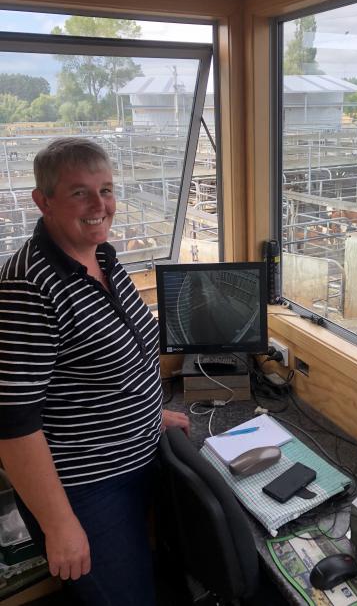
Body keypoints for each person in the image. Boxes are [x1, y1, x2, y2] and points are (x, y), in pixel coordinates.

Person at [0, 138, 189, 605]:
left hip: (136, 455)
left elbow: (105, 362)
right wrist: (60, 525)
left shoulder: (101, 255)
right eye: (79, 192)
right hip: (86, 489)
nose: (99, 205)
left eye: (106, 189)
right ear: (42, 201)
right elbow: (13, 423)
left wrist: (150, 414)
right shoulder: (27, 286)